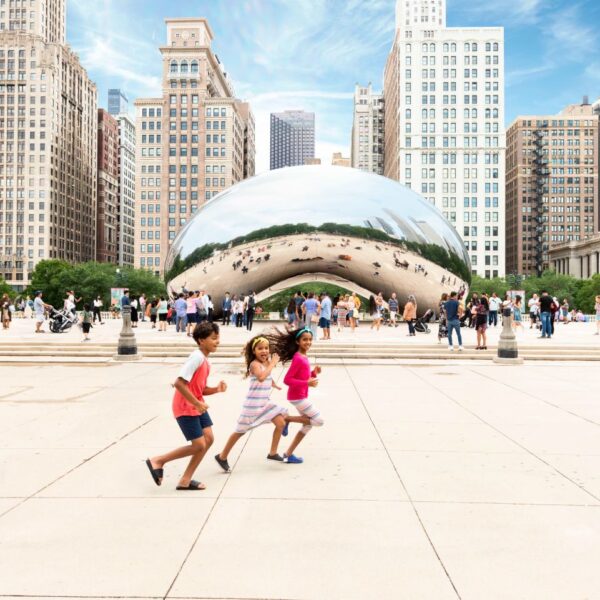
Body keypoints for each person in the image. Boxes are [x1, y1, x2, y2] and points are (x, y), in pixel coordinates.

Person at [145, 322, 227, 490]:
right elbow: (179, 383)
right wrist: (197, 403)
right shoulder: (196, 357)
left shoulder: (204, 360)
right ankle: (158, 461)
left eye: (218, 337)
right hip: (185, 406)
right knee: (199, 445)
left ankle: (186, 480)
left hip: (196, 405)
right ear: (201, 340)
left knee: (209, 439)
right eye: (213, 338)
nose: (217, 341)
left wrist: (216, 389)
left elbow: (200, 388)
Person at [215, 335, 289, 471]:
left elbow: (267, 376)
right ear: (254, 351)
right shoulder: (254, 364)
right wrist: (272, 363)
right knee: (239, 432)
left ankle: (272, 453)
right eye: (260, 348)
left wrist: (273, 384)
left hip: (264, 403)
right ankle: (222, 456)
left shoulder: (266, 363)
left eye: (266, 348)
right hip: (252, 406)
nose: (264, 351)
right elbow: (261, 377)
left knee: (281, 423)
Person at [263, 326, 324, 464]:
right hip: (297, 397)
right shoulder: (298, 358)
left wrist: (314, 373)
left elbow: (304, 376)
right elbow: (287, 380)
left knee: (308, 425)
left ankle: (288, 454)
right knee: (319, 420)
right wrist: (306, 384)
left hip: (300, 395)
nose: (308, 342)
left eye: (310, 340)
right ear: (298, 342)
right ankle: (288, 419)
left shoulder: (303, 356)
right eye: (305, 340)